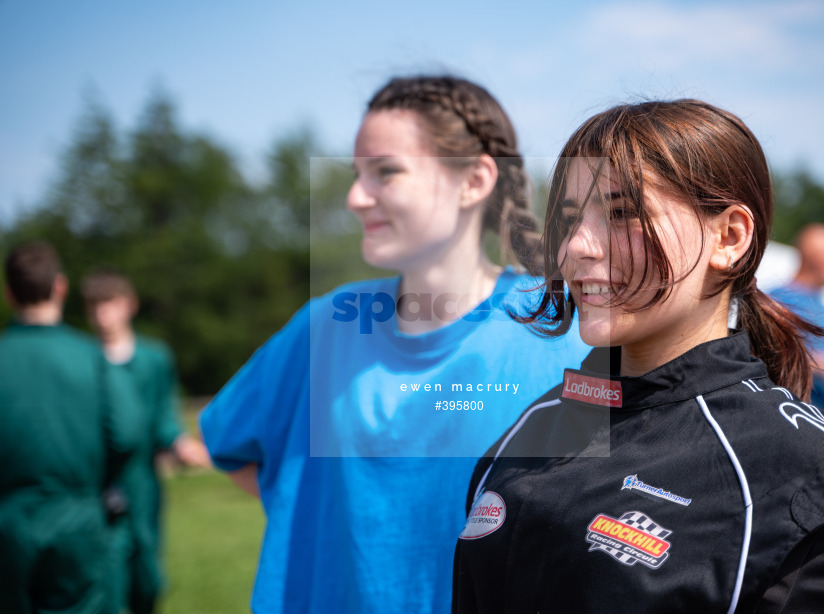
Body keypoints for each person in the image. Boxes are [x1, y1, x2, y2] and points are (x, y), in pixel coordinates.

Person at [453, 100, 824, 613]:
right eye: (568, 219)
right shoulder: (530, 429)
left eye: (621, 213)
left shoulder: (823, 488)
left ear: (729, 237)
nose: (576, 248)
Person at [199, 75, 589, 613]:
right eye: (358, 174)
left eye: (385, 172)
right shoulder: (325, 327)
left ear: (474, 180)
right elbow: (231, 446)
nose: (355, 197)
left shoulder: (564, 329)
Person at [0, 241, 140, 614]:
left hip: (8, 520)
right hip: (76, 516)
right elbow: (126, 433)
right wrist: (98, 482)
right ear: (60, 286)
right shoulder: (93, 359)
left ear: (9, 293)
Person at [81, 268, 210, 614]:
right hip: (95, 480)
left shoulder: (154, 359)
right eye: (93, 306)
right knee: (106, 572)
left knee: (147, 573)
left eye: (108, 304)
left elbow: (164, 415)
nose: (101, 314)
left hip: (142, 479)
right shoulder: (81, 361)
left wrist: (180, 442)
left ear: (129, 305)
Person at [770, 223, 824, 422]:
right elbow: (763, 353)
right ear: (819, 258)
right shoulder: (777, 301)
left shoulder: (820, 302)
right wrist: (822, 363)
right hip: (802, 419)